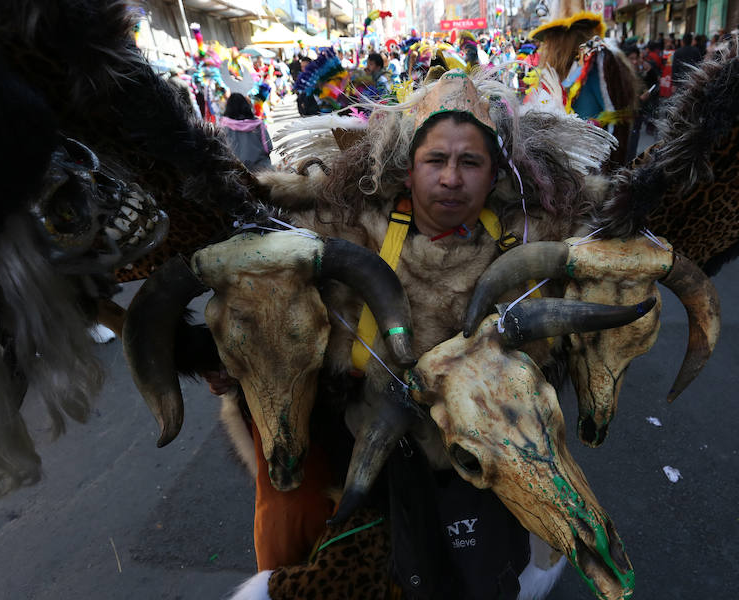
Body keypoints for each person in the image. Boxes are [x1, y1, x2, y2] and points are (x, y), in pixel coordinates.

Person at [219, 69, 618, 600]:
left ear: (495, 174)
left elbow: (619, 260)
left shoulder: (535, 233)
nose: (451, 178)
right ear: (408, 171)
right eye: (435, 160)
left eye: (470, 162)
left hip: (488, 462)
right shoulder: (345, 227)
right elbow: (267, 308)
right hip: (372, 458)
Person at [219, 92, 273, 172]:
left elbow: (221, 152)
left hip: (236, 172)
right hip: (261, 170)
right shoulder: (258, 124)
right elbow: (268, 147)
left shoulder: (223, 127)